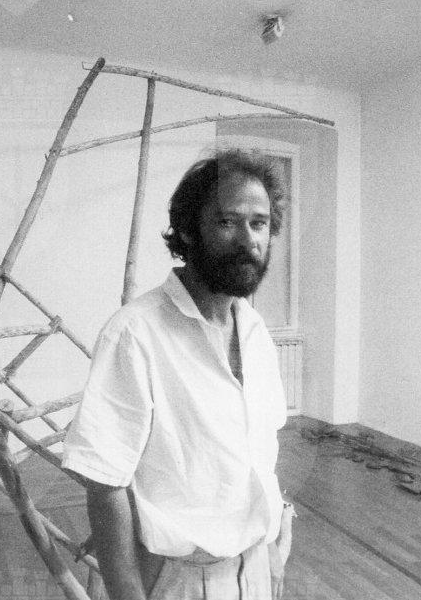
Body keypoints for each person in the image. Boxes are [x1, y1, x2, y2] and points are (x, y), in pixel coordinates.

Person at [61, 149, 294, 600]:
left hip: (255, 569)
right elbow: (105, 482)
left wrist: (270, 549)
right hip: (180, 580)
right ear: (188, 229)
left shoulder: (255, 331)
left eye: (259, 223)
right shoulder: (135, 333)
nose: (248, 240)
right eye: (227, 222)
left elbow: (259, 454)